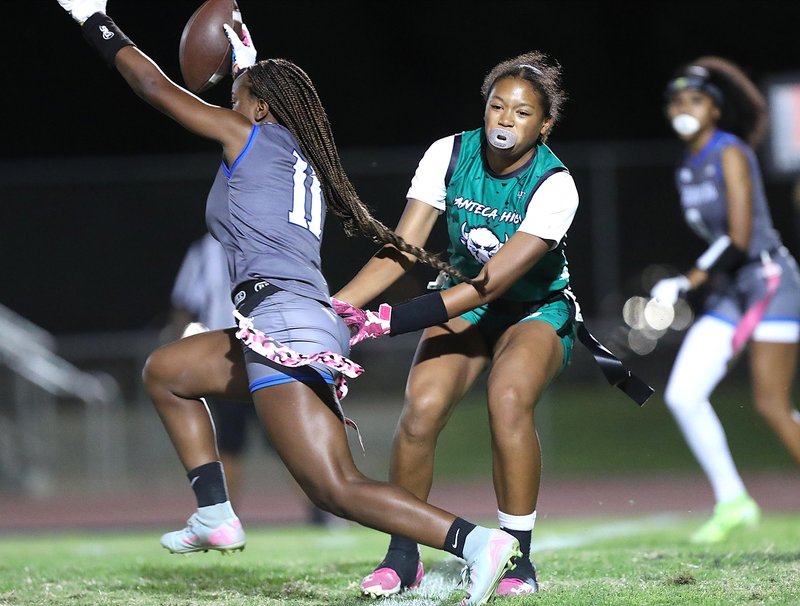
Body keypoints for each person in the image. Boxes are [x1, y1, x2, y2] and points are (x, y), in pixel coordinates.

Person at [56, 1, 521, 603]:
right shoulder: (291, 152)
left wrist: (95, 19)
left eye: (236, 99)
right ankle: (214, 512)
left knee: (334, 487)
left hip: (283, 323)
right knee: (167, 371)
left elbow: (154, 87)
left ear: (259, 109)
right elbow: (254, 102)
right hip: (290, 317)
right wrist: (244, 63)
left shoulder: (248, 137)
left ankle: (474, 542)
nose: (226, 108)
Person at [333, 50, 582, 597]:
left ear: (545, 125)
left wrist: (388, 322)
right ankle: (403, 557)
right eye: (497, 106)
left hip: (532, 309)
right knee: (421, 409)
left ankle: (517, 559)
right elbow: (402, 248)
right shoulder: (448, 154)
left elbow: (490, 283)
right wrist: (337, 309)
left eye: (522, 113)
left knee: (508, 399)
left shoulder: (555, 184)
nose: (505, 120)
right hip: (462, 302)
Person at [650, 56, 800, 543]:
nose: (683, 109)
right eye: (676, 102)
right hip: (731, 289)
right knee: (683, 395)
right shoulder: (686, 165)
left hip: (768, 280)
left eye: (695, 100)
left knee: (771, 404)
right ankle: (733, 500)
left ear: (714, 109)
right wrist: (699, 279)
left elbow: (738, 235)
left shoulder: (729, 151)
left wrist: (687, 280)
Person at [167, 232, 332, 525]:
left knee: (287, 436)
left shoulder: (264, 238)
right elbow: (184, 304)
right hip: (230, 355)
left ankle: (322, 509)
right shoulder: (209, 249)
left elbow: (184, 304)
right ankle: (223, 515)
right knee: (233, 441)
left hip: (267, 349)